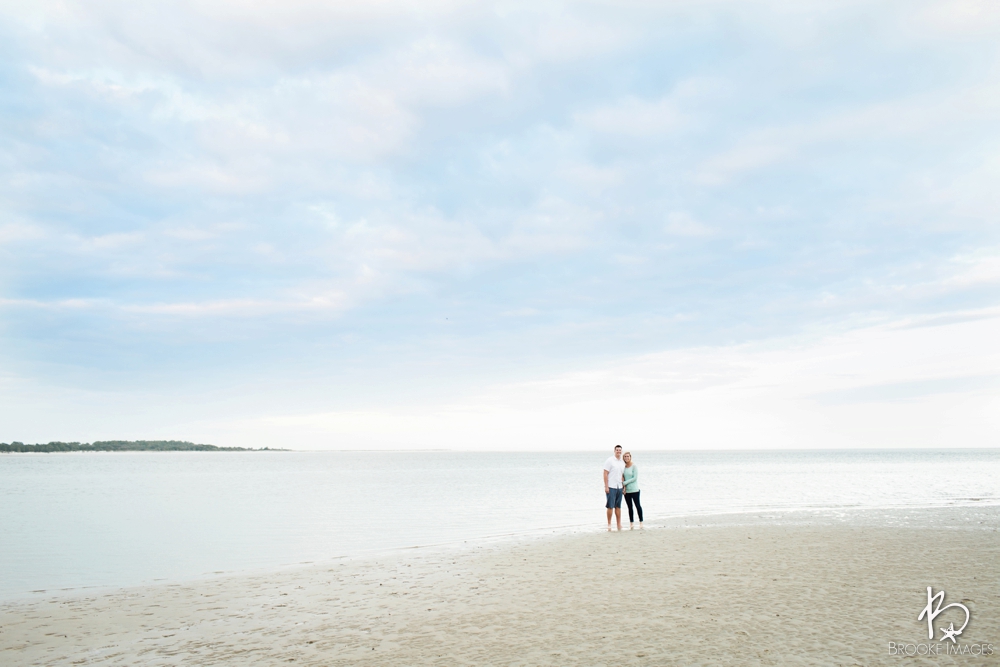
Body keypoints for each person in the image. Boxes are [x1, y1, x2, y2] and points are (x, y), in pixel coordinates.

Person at [603, 445, 626, 531]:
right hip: (611, 486)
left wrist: (624, 486)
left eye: (620, 450)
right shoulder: (610, 460)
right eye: (617, 450)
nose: (618, 451)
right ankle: (609, 524)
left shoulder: (622, 462)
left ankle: (618, 524)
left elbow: (622, 475)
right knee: (610, 506)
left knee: (618, 506)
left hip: (619, 486)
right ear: (614, 451)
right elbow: (605, 473)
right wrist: (606, 486)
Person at [622, 451, 643, 529]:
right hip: (627, 491)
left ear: (630, 457)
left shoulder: (634, 466)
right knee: (629, 507)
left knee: (637, 506)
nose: (627, 458)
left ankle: (641, 522)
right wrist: (623, 487)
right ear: (623, 458)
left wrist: (624, 483)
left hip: (635, 490)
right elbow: (622, 477)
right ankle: (631, 523)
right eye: (625, 456)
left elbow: (634, 478)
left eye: (628, 456)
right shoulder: (623, 467)